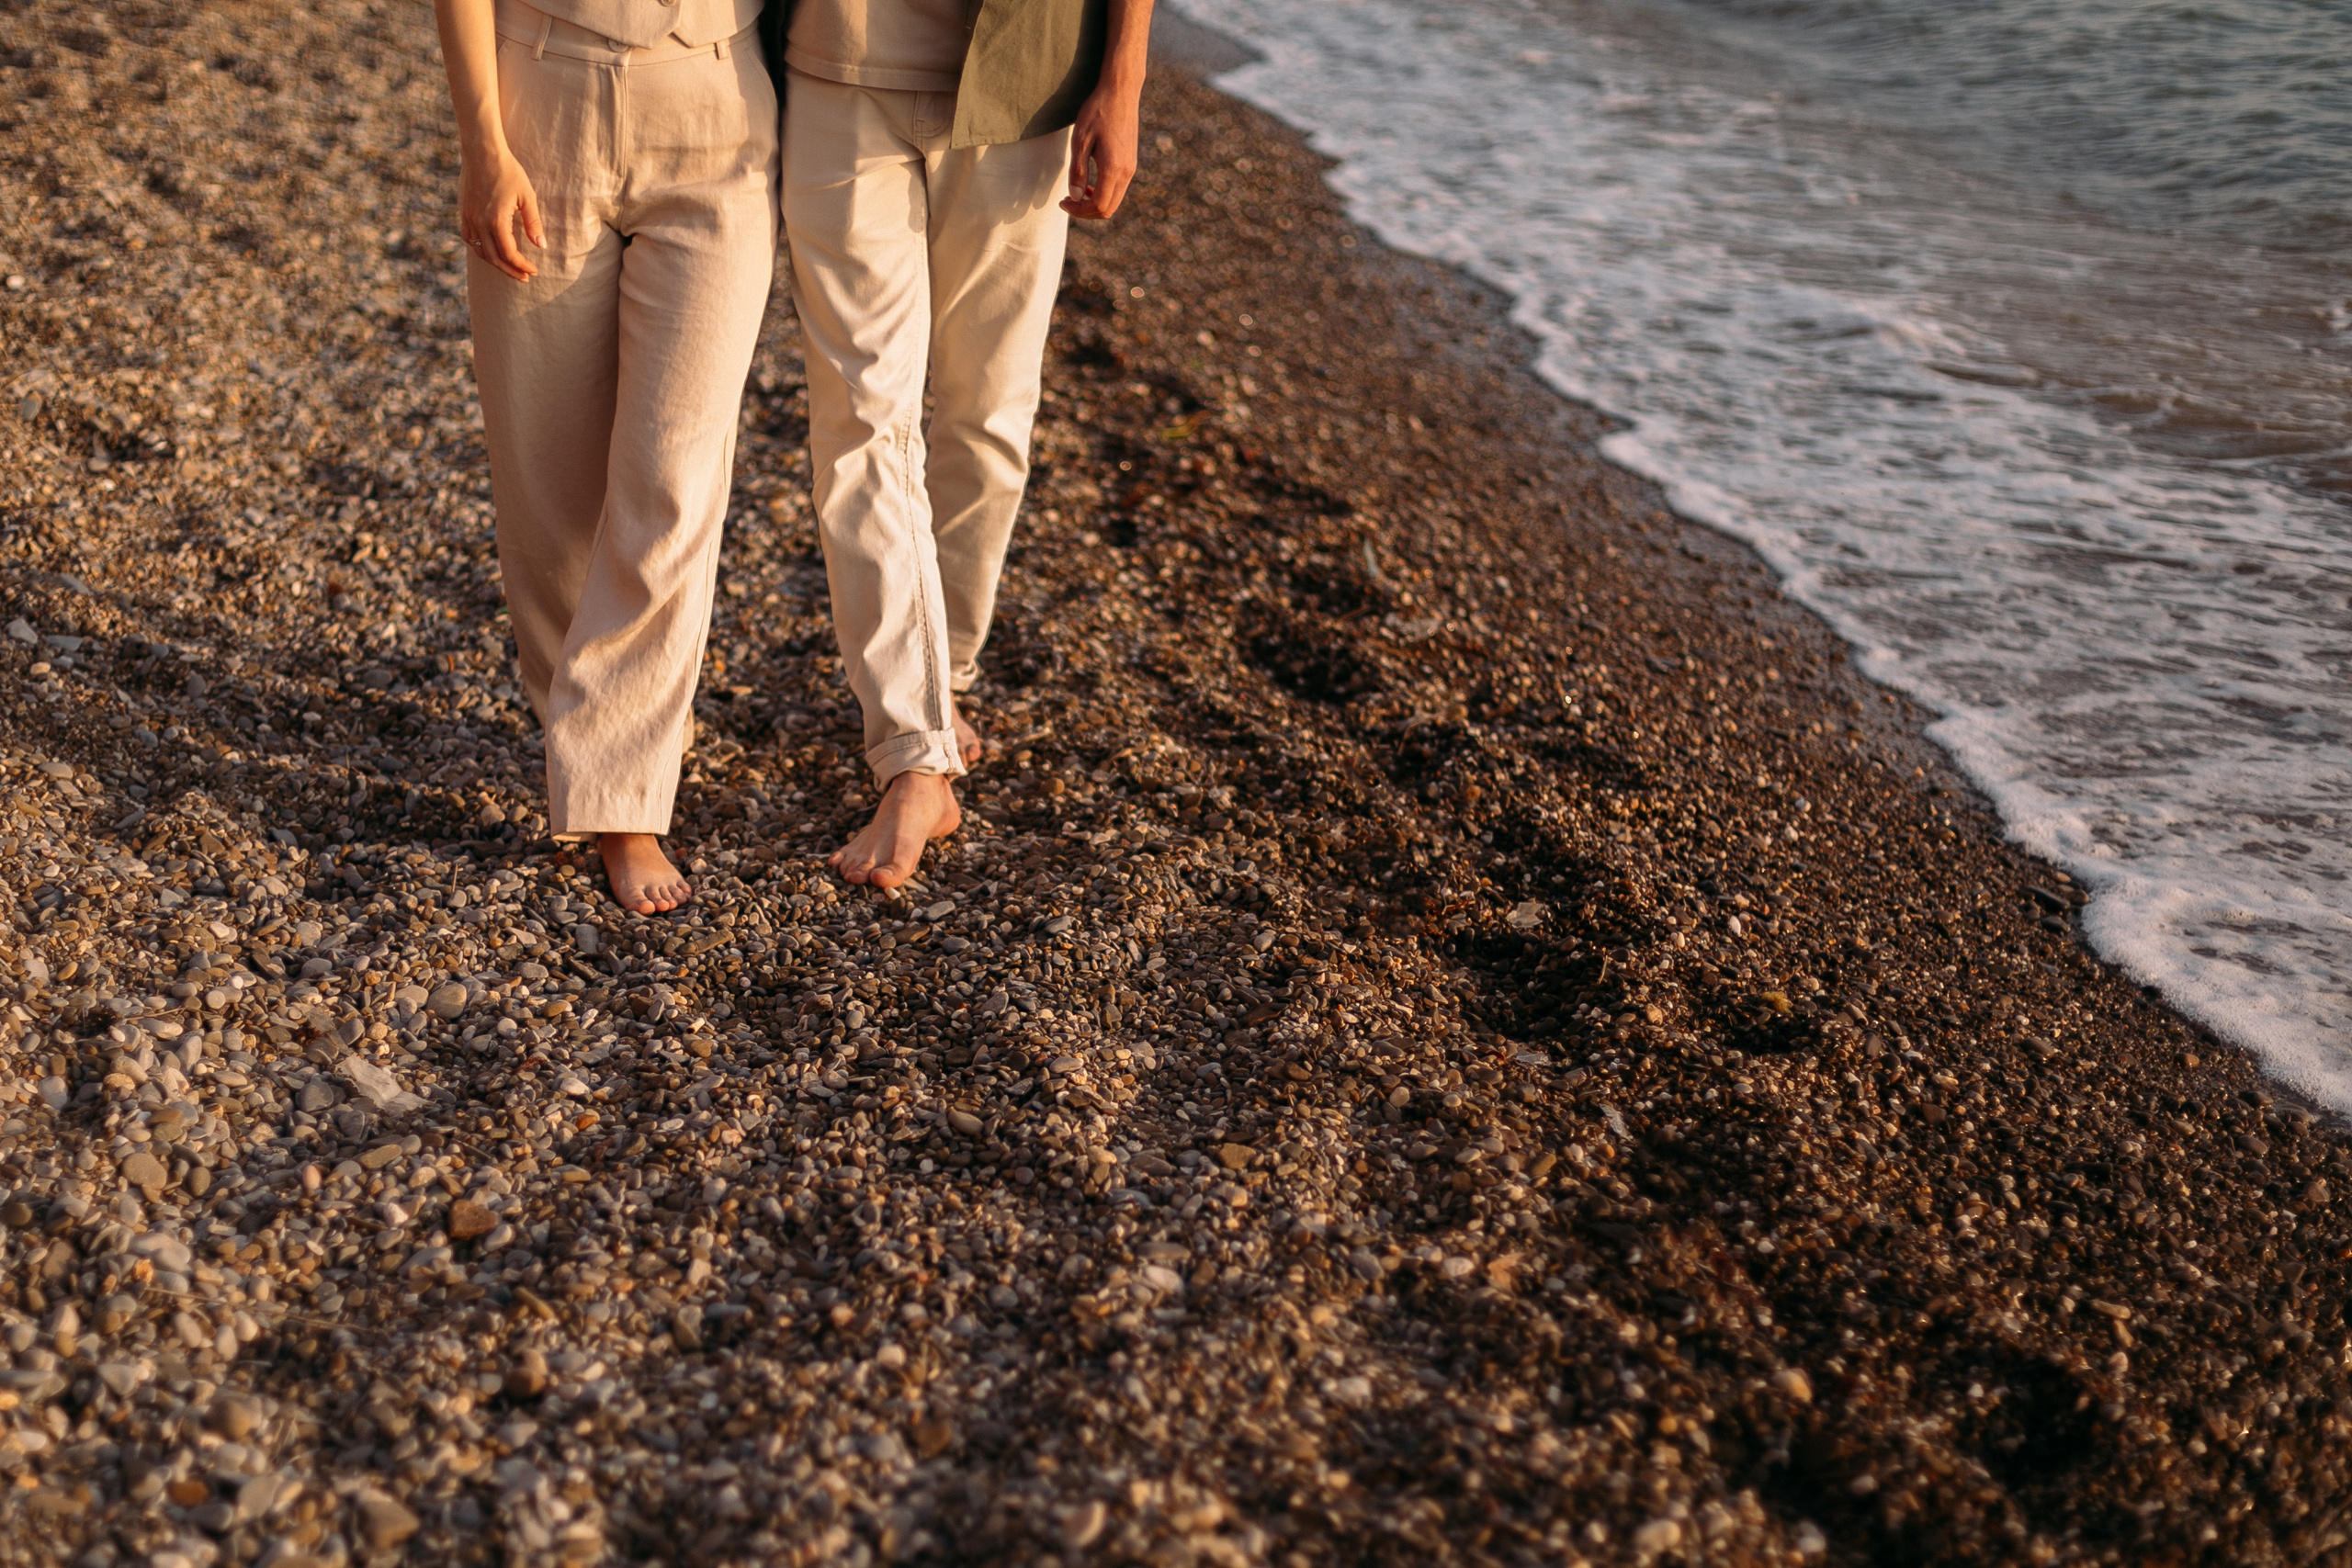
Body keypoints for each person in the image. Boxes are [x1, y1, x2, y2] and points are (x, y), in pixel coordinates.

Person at [779, 0, 1151, 891]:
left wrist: (1122, 80)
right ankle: (915, 751)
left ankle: (946, 668)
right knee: (863, 416)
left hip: (1024, 84)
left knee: (988, 419)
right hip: (837, 68)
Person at [431, 0, 778, 916]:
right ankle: (576, 736)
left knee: (673, 475)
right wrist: (482, 146)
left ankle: (622, 795)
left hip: (721, 111)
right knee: (547, 481)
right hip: (544, 102)